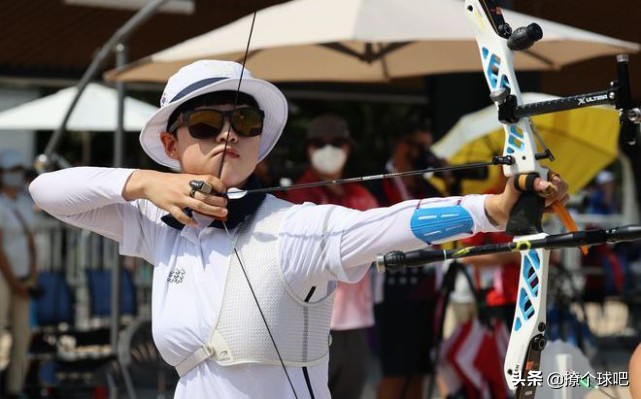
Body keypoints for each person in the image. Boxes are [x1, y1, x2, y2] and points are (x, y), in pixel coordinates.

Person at [29, 60, 568, 399]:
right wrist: (147, 185)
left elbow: (392, 223)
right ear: (171, 145)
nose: (226, 137)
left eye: (243, 123)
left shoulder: (293, 228)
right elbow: (48, 192)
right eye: (204, 124)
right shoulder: (157, 223)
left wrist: (494, 210)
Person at [285, 113, 379, 399]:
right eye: (319, 143)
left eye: (337, 143)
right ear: (309, 149)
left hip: (356, 319)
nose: (329, 150)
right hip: (312, 319)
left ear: (348, 148)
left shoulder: (362, 195)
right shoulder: (296, 197)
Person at [366, 122, 453, 399]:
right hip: (391, 294)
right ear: (403, 146)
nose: (425, 154)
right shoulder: (380, 185)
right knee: (396, 373)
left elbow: (449, 222)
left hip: (426, 291)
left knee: (418, 371)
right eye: (420, 147)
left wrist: (451, 184)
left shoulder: (429, 188)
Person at [0, 150, 38, 399]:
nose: (17, 175)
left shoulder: (24, 202)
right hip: (6, 278)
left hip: (22, 278)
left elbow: (32, 242)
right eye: (12, 170)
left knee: (22, 333)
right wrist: (15, 282)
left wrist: (32, 276)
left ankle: (15, 388)